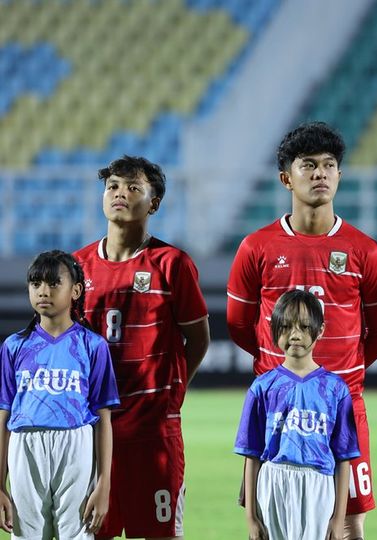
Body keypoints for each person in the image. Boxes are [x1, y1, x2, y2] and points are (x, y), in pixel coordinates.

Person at [227, 122, 377, 539]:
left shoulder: (366, 250)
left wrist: (337, 377)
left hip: (343, 406)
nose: (320, 174)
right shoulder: (256, 247)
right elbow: (238, 325)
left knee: (350, 524)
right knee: (271, 518)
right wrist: (283, 371)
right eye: (309, 166)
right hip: (278, 408)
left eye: (329, 166)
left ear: (339, 175)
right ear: (287, 177)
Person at [74, 155, 210, 540]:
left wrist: (173, 393)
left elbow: (198, 338)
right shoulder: (77, 267)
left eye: (133, 188)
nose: (120, 194)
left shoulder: (172, 264)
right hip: (91, 436)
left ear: (154, 203)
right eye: (113, 186)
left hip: (153, 436)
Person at [0, 251, 119, 538]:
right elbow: (3, 415)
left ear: (75, 290)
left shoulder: (93, 346)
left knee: (77, 534)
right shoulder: (14, 346)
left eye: (54, 283)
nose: (43, 291)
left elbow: (104, 419)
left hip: (76, 444)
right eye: (36, 283)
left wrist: (104, 483)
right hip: (24, 447)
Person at [235, 289, 359, 540]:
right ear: (274, 328)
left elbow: (343, 457)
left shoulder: (335, 389)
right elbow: (252, 455)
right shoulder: (262, 387)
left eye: (304, 326)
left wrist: (338, 519)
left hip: (318, 484)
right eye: (286, 326)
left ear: (320, 330)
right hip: (273, 481)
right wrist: (251, 518)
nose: (295, 335)